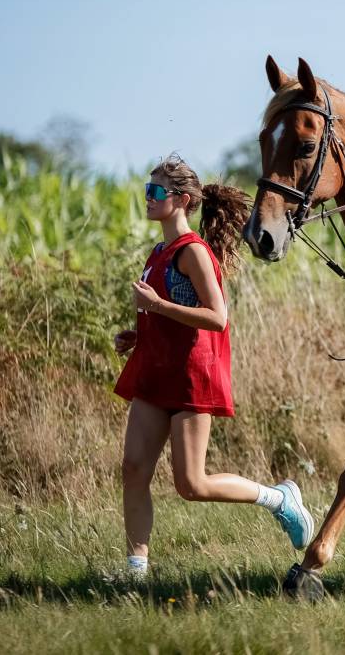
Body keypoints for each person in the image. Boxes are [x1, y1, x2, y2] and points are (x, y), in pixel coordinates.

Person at [112, 153, 314, 579]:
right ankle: (135, 572)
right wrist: (140, 332)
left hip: (191, 377)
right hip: (155, 370)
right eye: (147, 190)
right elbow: (171, 313)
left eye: (155, 192)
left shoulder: (193, 252)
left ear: (182, 200)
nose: (147, 198)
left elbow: (217, 316)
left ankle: (279, 499)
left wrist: (157, 305)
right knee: (133, 469)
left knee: (192, 485)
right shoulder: (158, 250)